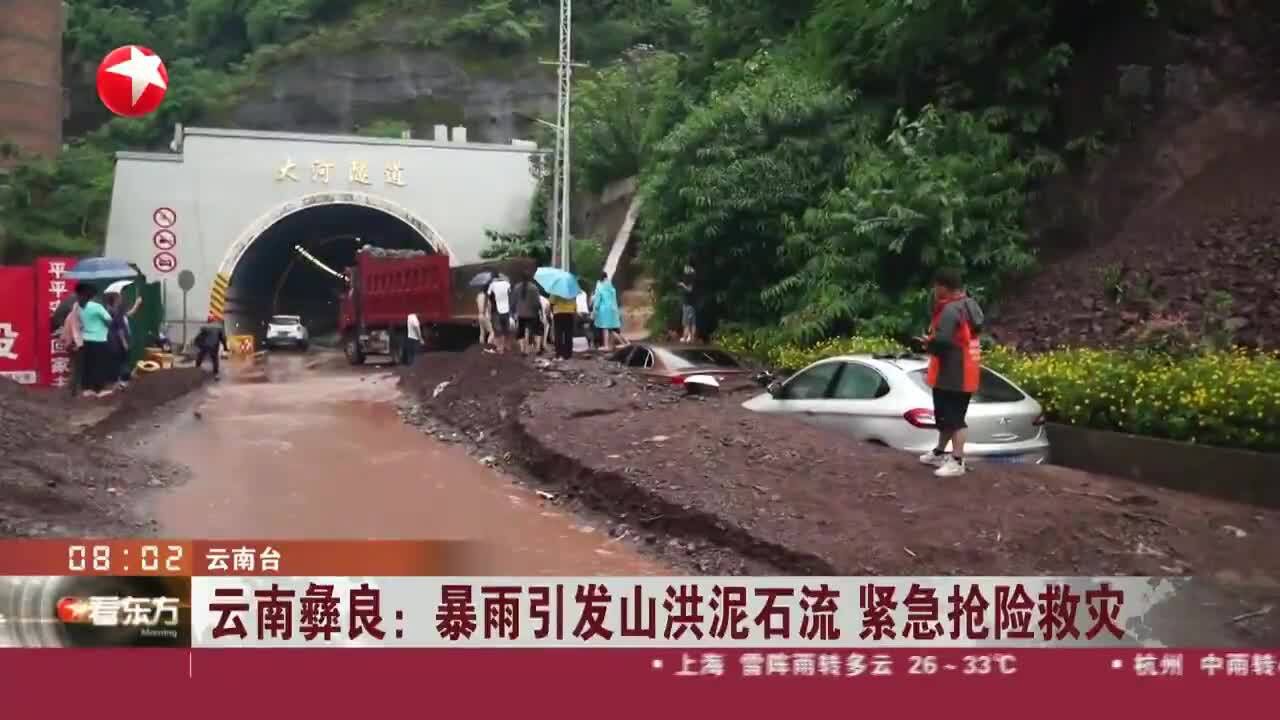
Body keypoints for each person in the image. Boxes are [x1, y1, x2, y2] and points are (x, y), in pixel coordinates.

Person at [914, 268, 985, 478]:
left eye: (936, 286)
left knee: (954, 419)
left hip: (953, 372)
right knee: (947, 417)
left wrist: (928, 344)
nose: (934, 290)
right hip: (966, 369)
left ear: (943, 287)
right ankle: (940, 452)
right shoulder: (969, 304)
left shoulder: (950, 310)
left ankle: (957, 460)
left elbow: (943, 342)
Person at [77, 285, 114, 398]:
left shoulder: (80, 306)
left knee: (88, 365)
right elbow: (109, 322)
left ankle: (87, 389)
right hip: (99, 340)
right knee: (99, 365)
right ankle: (99, 390)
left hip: (86, 339)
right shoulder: (97, 306)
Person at [59, 285, 88, 396]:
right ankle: (74, 392)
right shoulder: (75, 313)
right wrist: (78, 344)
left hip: (70, 343)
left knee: (75, 367)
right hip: (74, 344)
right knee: (77, 367)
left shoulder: (72, 312)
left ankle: (72, 390)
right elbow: (75, 332)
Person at [592, 272, 626, 352]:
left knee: (605, 328)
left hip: (604, 310)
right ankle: (623, 343)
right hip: (613, 309)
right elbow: (614, 299)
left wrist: (594, 310)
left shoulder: (599, 287)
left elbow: (597, 301)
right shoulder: (611, 287)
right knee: (612, 329)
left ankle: (606, 345)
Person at [510, 274, 543, 355]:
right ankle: (538, 349)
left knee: (521, 332)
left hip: (521, 314)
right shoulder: (534, 288)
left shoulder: (517, 287)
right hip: (532, 314)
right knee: (537, 331)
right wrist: (539, 311)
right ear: (530, 278)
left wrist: (513, 311)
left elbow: (513, 301)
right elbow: (537, 302)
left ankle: (523, 350)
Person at [487, 275, 512, 353]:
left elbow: (489, 299)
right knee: (506, 329)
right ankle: (507, 346)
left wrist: (488, 312)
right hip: (506, 310)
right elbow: (510, 294)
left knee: (498, 330)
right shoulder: (507, 284)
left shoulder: (492, 285)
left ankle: (500, 348)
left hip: (496, 311)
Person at [549, 292, 577, 360]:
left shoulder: (555, 291)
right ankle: (568, 354)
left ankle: (559, 353)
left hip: (558, 313)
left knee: (558, 334)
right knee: (568, 334)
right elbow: (574, 302)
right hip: (569, 313)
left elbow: (551, 302)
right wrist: (574, 311)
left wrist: (552, 311)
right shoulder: (571, 291)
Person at [677, 264, 697, 343]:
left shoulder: (691, 281)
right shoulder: (692, 280)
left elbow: (689, 290)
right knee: (692, 323)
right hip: (692, 305)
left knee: (686, 323)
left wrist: (683, 285)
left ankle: (685, 338)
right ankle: (691, 338)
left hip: (688, 305)